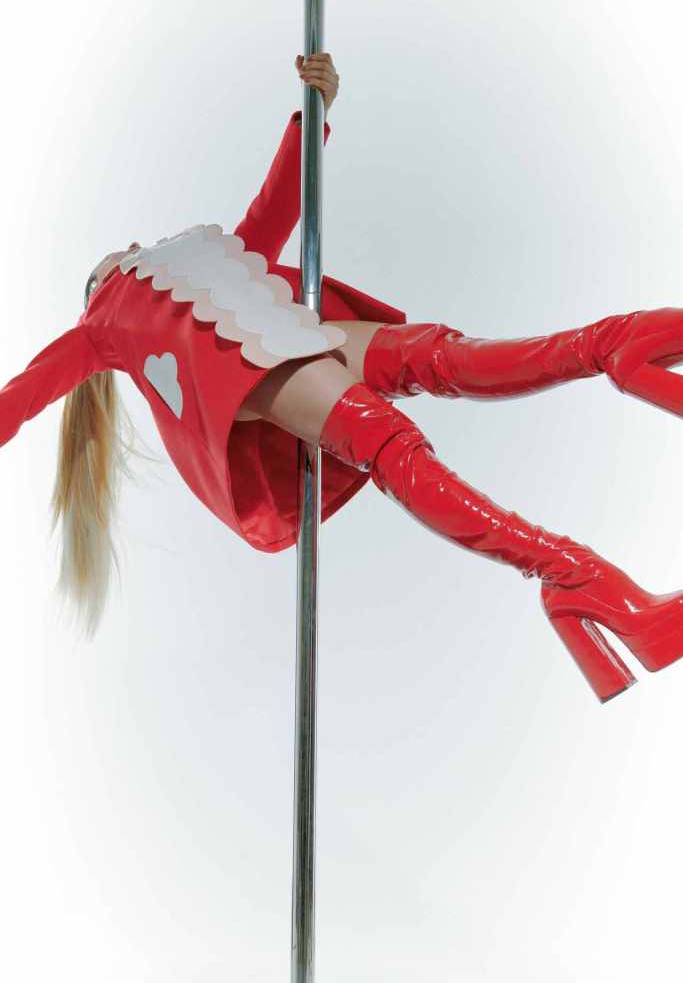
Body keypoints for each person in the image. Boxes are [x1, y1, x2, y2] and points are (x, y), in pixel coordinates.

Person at [3, 53, 683, 704]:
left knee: (438, 357)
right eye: (104, 265)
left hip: (293, 335)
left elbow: (271, 212)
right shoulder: (100, 324)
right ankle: (574, 578)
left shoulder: (198, 258)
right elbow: (23, 396)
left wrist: (313, 113)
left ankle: (616, 347)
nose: (123, 250)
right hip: (247, 371)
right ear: (97, 285)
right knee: (390, 442)